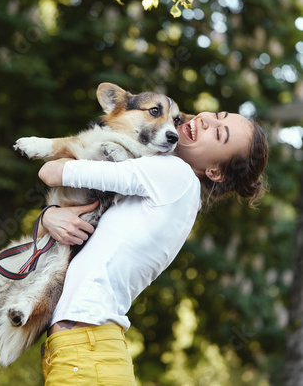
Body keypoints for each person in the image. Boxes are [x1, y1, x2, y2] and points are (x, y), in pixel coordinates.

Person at [37, 110, 269, 385]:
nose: (208, 120)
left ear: (215, 172)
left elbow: (51, 171)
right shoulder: (175, 190)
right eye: (218, 115)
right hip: (87, 351)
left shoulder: (173, 174)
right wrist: (49, 215)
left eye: (219, 133)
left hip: (87, 353)